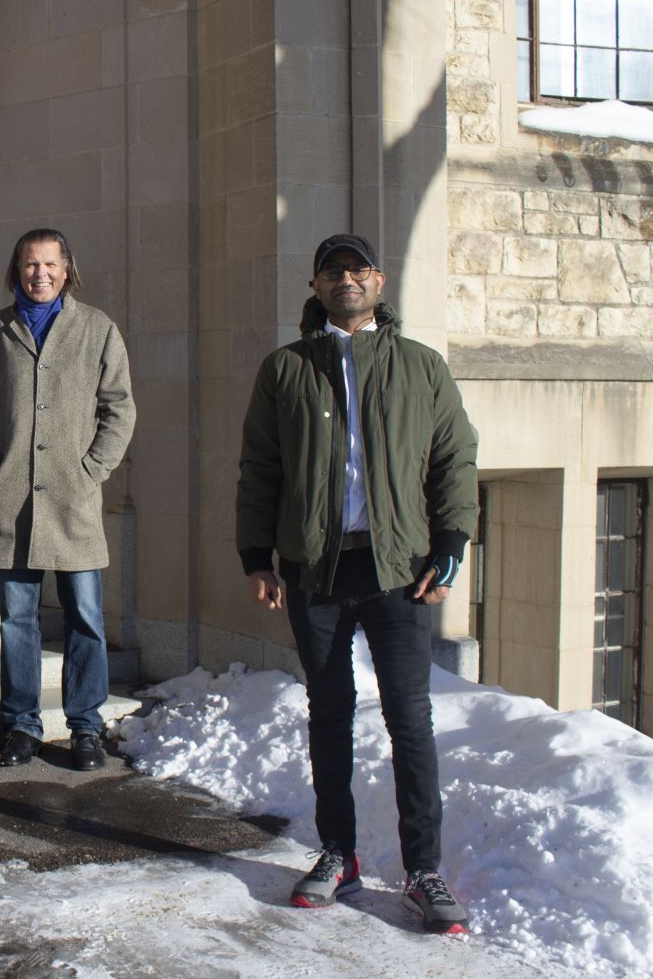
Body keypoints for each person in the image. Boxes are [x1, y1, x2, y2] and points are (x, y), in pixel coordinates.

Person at [235, 233, 477, 934]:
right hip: (315, 568)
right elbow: (260, 469)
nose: (345, 281)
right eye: (332, 272)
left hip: (398, 569)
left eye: (357, 270)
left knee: (410, 718)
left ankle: (423, 870)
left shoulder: (420, 368)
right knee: (330, 711)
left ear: (379, 280)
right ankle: (337, 854)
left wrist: (452, 544)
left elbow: (454, 461)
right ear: (314, 286)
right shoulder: (286, 369)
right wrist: (256, 556)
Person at [0, 228, 135, 771]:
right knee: (17, 619)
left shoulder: (97, 329)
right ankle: (21, 724)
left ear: (67, 269)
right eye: (30, 265)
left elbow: (120, 409)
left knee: (85, 616)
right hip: (11, 504)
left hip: (74, 503)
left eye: (50, 264)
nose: (40, 274)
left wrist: (92, 470)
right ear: (17, 270)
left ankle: (85, 726)